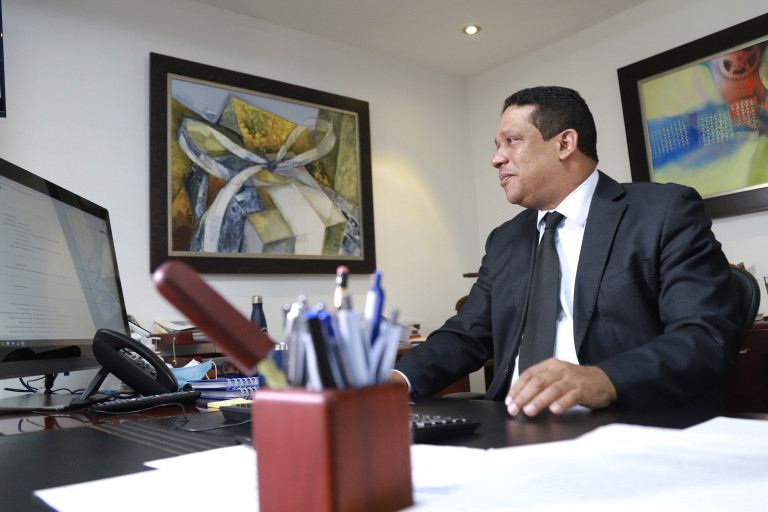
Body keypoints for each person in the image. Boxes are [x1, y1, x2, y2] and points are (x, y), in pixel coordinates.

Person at [393, 86, 741, 417]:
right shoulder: (504, 240)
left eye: (511, 141)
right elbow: (467, 334)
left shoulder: (662, 212)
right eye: (497, 146)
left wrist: (603, 380)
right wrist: (396, 380)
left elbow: (704, 335)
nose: (496, 159)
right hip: (510, 424)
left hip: (627, 419)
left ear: (565, 144)